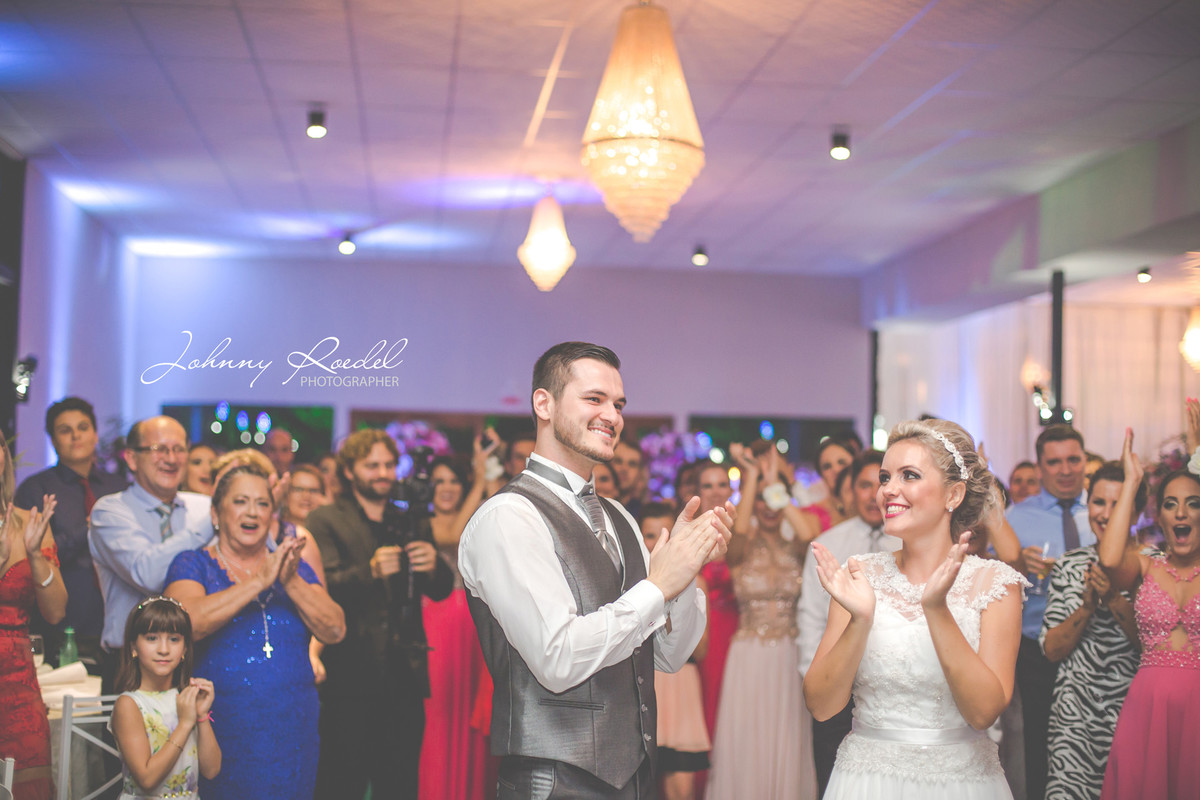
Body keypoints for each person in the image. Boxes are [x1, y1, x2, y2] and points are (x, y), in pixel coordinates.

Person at [459, 341, 733, 799]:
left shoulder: (619, 518)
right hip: (552, 781)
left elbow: (669, 656)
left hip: (636, 778)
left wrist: (684, 573)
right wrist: (657, 586)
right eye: (594, 399)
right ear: (543, 404)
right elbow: (557, 658)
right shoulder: (508, 517)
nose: (613, 416)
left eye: (619, 404)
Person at [805, 419, 1026, 799]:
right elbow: (821, 706)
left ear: (953, 494)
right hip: (867, 782)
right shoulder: (858, 576)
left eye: (909, 475)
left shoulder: (996, 585)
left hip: (961, 783)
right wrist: (860, 620)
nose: (888, 490)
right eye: (885, 477)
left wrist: (937, 609)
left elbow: (983, 713)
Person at [164, 465, 345, 800]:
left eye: (263, 504)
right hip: (219, 726)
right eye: (240, 501)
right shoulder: (192, 564)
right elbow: (186, 624)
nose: (252, 512)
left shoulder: (294, 569)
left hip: (293, 729)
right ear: (216, 514)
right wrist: (259, 580)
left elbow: (334, 628)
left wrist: (289, 580)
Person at [307, 429, 453, 800]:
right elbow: (321, 589)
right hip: (349, 674)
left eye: (389, 465)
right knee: (342, 784)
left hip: (404, 673)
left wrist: (434, 565)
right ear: (349, 471)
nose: (383, 473)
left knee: (399, 785)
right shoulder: (326, 519)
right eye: (372, 465)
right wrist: (368, 572)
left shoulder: (410, 519)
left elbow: (440, 589)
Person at [705, 444, 819, 800]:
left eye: (775, 500)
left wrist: (775, 486)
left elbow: (808, 533)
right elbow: (738, 529)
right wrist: (753, 476)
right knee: (748, 737)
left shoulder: (797, 547)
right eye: (762, 500)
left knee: (786, 736)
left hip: (790, 655)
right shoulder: (739, 548)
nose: (769, 507)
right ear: (752, 503)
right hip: (749, 656)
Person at [1098, 428, 1200, 799]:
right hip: (1148, 708)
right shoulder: (1146, 566)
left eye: (1193, 503)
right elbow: (1110, 558)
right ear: (1159, 515)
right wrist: (1131, 482)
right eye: (1170, 504)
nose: (1181, 512)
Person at [797, 449, 898, 796]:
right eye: (864, 485)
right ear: (850, 491)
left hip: (890, 689)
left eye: (880, 484)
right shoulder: (829, 543)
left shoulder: (908, 543)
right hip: (837, 684)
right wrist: (817, 676)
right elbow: (811, 616)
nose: (873, 495)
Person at [1040, 461, 1143, 800]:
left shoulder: (1153, 564)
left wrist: (1113, 597)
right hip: (1075, 721)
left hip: (1134, 713)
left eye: (1118, 503)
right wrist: (1086, 608)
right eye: (1099, 502)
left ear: (1135, 510)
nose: (1106, 514)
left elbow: (1154, 649)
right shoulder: (1069, 565)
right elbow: (1051, 650)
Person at [90, 416, 214, 691]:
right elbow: (148, 574)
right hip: (130, 665)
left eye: (179, 449)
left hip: (196, 660)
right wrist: (211, 522)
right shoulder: (110, 511)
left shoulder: (204, 507)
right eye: (160, 449)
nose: (171, 458)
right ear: (132, 458)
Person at [1006, 424, 1092, 800]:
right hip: (1035, 648)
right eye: (1054, 462)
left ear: (1085, 460)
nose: (1066, 470)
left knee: (1092, 740)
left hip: (1095, 645)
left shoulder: (1103, 510)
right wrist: (1016, 563)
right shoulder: (1016, 517)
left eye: (1073, 459)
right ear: (1040, 467)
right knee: (1039, 742)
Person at [15, 396, 126, 664]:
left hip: (119, 620)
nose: (76, 436)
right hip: (63, 623)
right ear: (53, 440)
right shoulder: (36, 489)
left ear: (95, 434)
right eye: (65, 430)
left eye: (83, 427)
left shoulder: (118, 488)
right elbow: (31, 556)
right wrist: (88, 529)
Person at [419, 444, 498, 800]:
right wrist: (479, 481)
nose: (447, 488)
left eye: (453, 481)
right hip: (433, 623)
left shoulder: (478, 513)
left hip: (471, 624)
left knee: (469, 710)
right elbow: (452, 535)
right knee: (436, 711)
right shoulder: (423, 522)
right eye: (439, 481)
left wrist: (488, 477)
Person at [0, 430, 64, 800]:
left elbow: (55, 613)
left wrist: (36, 556)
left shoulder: (30, 522)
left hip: (18, 683)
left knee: (27, 784)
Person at [109, 597, 221, 799]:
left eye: (174, 639)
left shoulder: (185, 698)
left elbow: (211, 770)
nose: (163, 649)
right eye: (152, 638)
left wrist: (202, 715)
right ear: (134, 647)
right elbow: (147, 779)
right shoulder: (130, 704)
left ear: (185, 649)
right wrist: (185, 724)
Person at [640, 503, 711, 800]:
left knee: (681, 787)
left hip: (680, 685)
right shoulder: (630, 584)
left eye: (665, 534)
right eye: (649, 535)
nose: (657, 543)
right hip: (644, 684)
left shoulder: (695, 581)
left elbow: (701, 649)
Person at [807, 434, 863, 530]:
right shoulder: (812, 515)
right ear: (821, 474)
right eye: (827, 466)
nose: (836, 470)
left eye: (842, 462)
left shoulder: (871, 504)